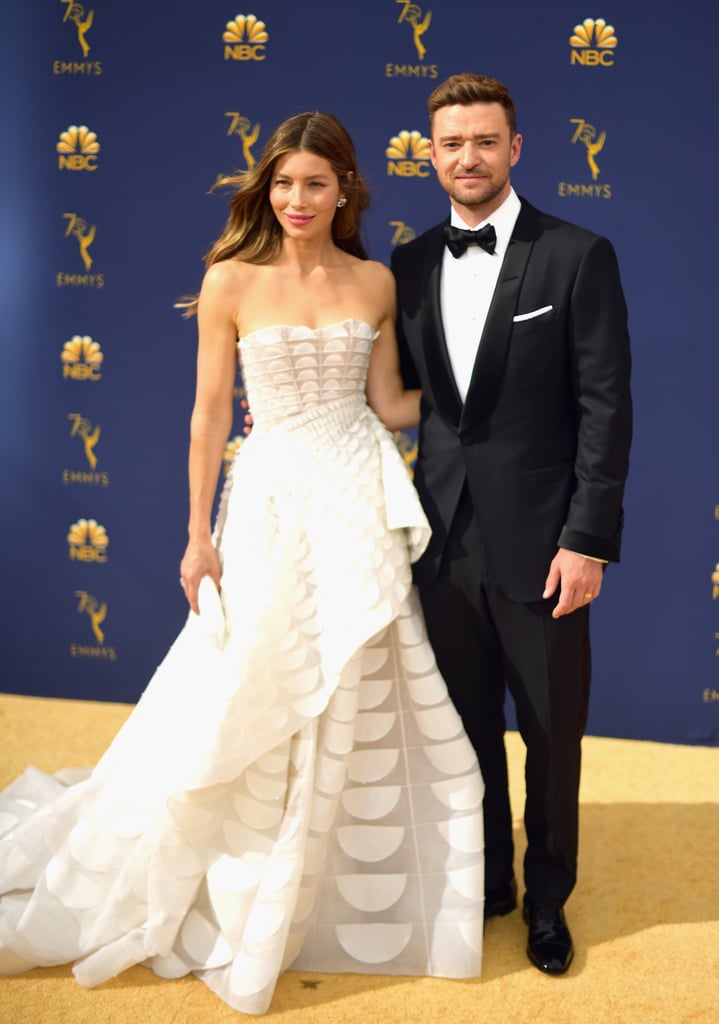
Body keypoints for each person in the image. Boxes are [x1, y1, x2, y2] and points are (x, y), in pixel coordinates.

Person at [0, 112, 485, 1015]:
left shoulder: (378, 281)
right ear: (266, 190)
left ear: (345, 190)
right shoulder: (228, 280)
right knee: (259, 666)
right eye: (283, 184)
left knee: (356, 665)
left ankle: (338, 869)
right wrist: (196, 532)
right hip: (266, 496)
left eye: (315, 183)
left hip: (354, 491)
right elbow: (208, 417)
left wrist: (490, 389)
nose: (297, 200)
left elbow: (387, 403)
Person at [391, 73, 632, 975]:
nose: (467, 158)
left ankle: (547, 900)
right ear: (430, 151)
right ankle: (485, 878)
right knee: (462, 730)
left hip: (543, 545)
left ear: (515, 147)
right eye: (450, 143)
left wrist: (587, 538)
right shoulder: (410, 263)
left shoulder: (576, 254)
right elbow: (406, 398)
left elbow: (606, 406)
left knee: (550, 733)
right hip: (441, 542)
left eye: (484, 141)